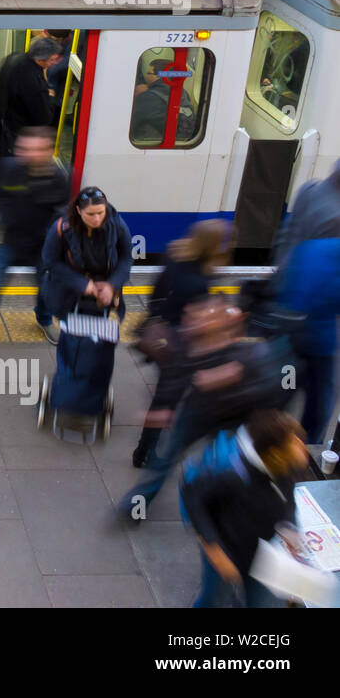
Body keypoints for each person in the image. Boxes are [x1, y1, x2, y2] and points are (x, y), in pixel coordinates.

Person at [119, 298, 286, 517]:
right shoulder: (191, 344)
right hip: (196, 413)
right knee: (166, 458)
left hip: (230, 420)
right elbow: (175, 377)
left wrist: (233, 378)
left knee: (225, 464)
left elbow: (268, 391)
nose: (199, 326)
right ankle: (134, 506)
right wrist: (164, 408)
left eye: (212, 322)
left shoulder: (252, 354)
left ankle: (214, 505)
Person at [132, 219, 235, 468]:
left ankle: (146, 447)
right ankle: (145, 451)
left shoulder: (174, 254)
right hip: (183, 343)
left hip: (162, 334)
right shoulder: (202, 279)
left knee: (164, 392)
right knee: (167, 398)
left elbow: (156, 293)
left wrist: (159, 315)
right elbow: (201, 319)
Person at [179, 410, 308, 608]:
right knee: (214, 600)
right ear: (275, 455)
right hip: (226, 551)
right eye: (293, 442)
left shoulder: (286, 465)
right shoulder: (232, 474)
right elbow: (193, 497)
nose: (301, 446)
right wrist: (214, 549)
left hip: (260, 551)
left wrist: (289, 523)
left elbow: (288, 493)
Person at [0, 127, 68, 347]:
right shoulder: (7, 168)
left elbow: (62, 212)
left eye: (34, 149)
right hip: (10, 241)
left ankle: (45, 320)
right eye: (23, 148)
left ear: (47, 151)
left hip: (41, 246)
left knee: (45, 286)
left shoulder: (58, 177)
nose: (26, 154)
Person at [0, 38, 63, 233]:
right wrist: (49, 96)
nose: (55, 62)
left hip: (1, 129)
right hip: (19, 138)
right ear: (40, 60)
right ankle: (12, 224)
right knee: (17, 182)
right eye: (53, 59)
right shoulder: (34, 80)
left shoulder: (13, 59)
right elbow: (43, 116)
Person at [40, 186, 133, 340]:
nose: (96, 219)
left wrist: (112, 285)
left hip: (102, 294)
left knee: (95, 341)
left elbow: (126, 258)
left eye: (100, 213)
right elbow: (50, 261)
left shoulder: (117, 225)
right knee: (71, 339)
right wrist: (82, 283)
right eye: (90, 214)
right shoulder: (62, 227)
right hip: (70, 291)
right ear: (78, 210)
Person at [276, 237, 340, 444]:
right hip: (317, 348)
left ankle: (267, 441)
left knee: (285, 391)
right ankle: (306, 450)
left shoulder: (310, 246)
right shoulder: (329, 254)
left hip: (290, 341)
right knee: (319, 405)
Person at [271, 159, 340, 271]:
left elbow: (285, 240)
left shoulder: (309, 189)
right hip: (312, 281)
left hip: (285, 275)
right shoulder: (335, 218)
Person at [130, 59, 198, 145]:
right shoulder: (183, 92)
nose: (146, 75)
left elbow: (130, 125)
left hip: (152, 142)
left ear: (158, 76)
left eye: (148, 73)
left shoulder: (148, 98)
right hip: (183, 141)